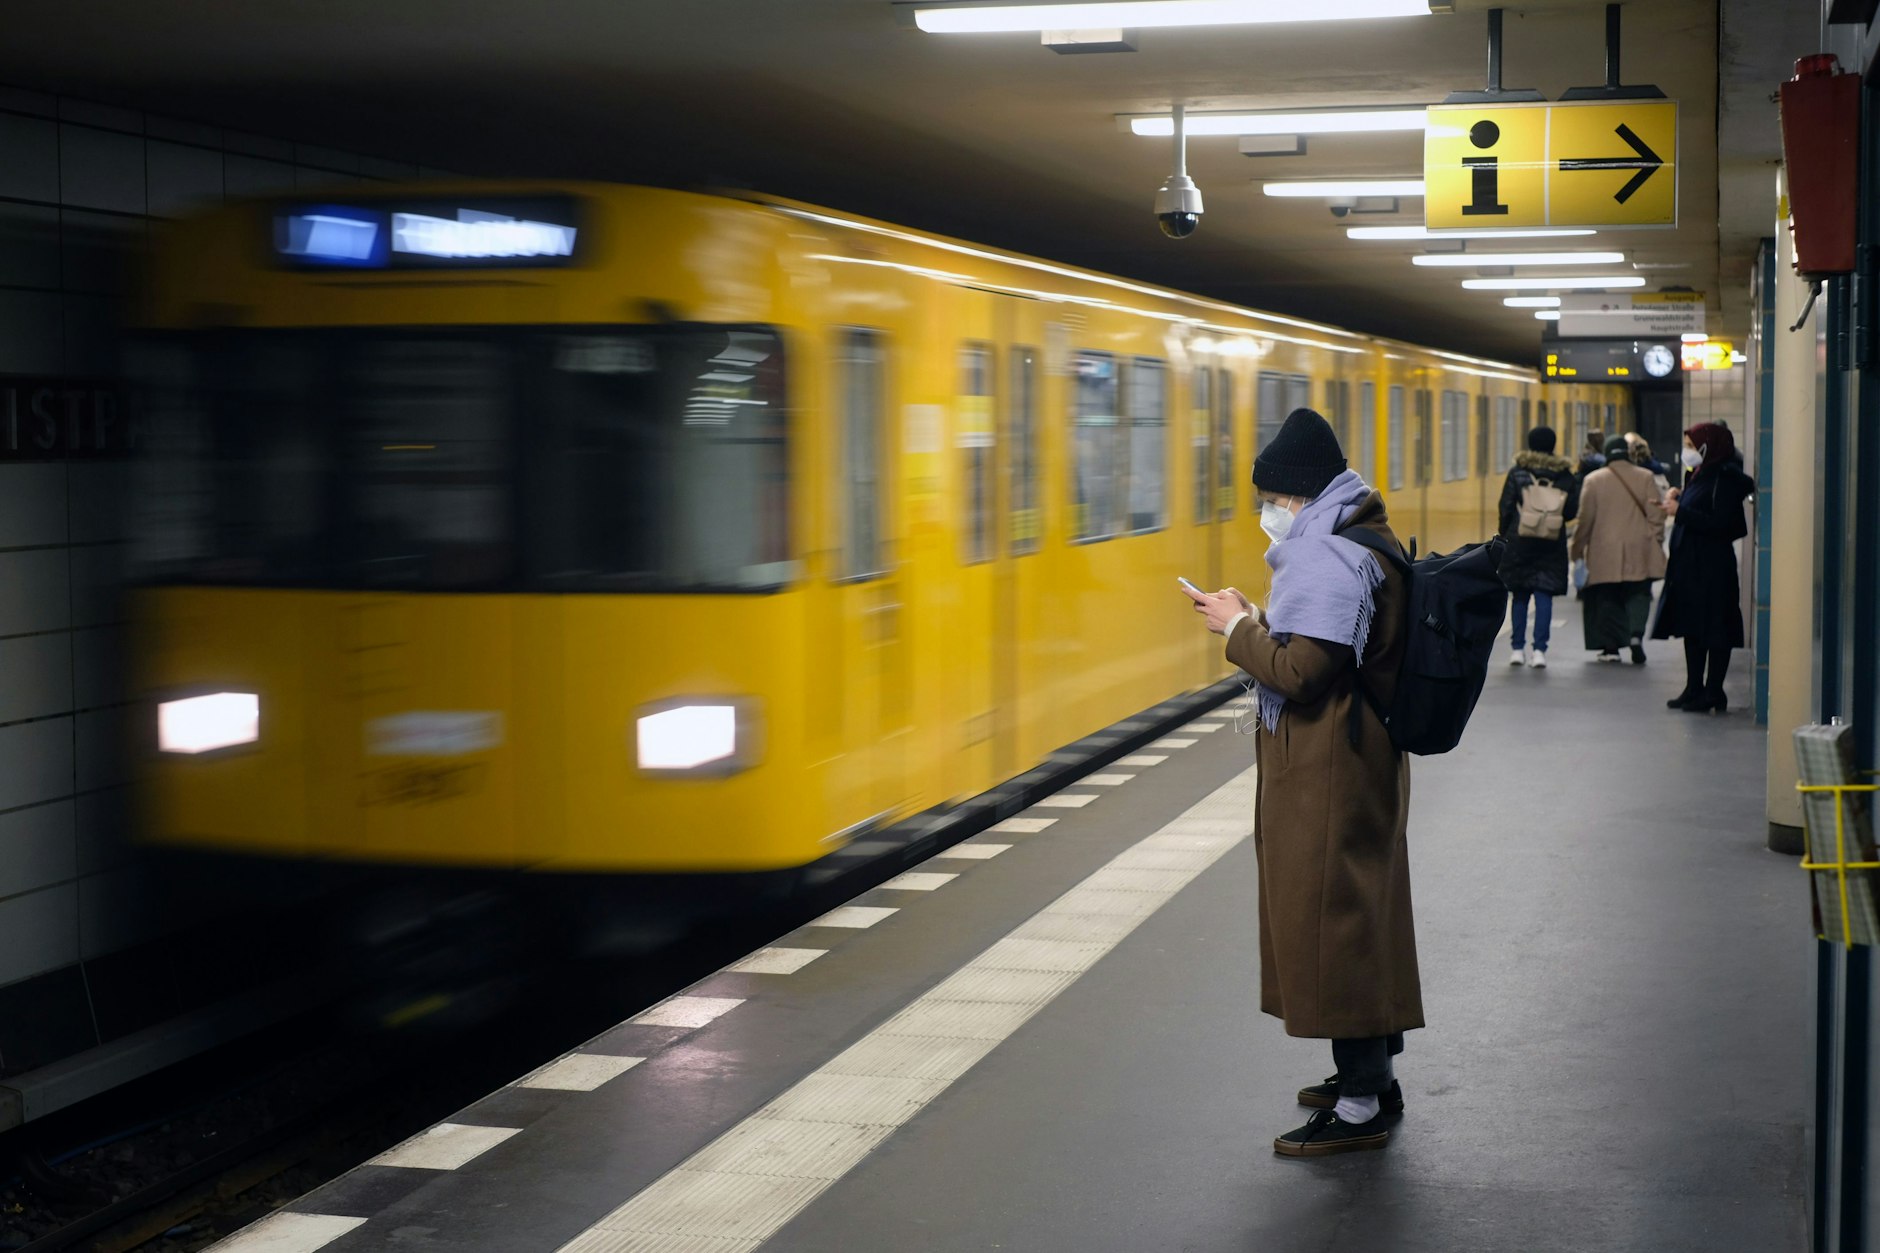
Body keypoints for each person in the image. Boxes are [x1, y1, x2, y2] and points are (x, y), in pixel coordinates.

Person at [1183, 408, 1422, 1158]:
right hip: (1355, 756)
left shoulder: (1326, 554)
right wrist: (1259, 618)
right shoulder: (1359, 532)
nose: (1269, 513)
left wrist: (1235, 628)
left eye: (1272, 500)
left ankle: (1360, 1106)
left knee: (1335, 922)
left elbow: (1302, 672)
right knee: (1354, 912)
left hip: (1332, 766)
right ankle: (1370, 1076)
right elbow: (1325, 643)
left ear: (1299, 494)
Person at [1652, 422, 1756, 713]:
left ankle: (1714, 691)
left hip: (1713, 566)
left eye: (1691, 445)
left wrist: (1681, 511)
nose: (1687, 451)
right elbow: (1698, 510)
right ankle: (1693, 687)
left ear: (1708, 447)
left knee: (1716, 627)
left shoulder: (1724, 479)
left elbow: (1721, 524)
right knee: (1693, 625)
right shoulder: (1698, 474)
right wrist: (1678, 498)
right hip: (1691, 564)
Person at [1569, 433, 1667, 663]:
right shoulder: (1645, 476)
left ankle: (1611, 648)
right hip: (1639, 545)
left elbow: (1585, 520)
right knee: (1638, 592)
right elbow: (1656, 514)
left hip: (1604, 549)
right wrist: (1655, 540)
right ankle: (1635, 636)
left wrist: (1577, 548)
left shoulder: (1593, 480)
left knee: (1607, 595)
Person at [1496, 425, 1579, 668]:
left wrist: (1505, 534)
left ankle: (1517, 649)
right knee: (1544, 596)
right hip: (1551, 542)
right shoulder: (1564, 475)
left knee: (1520, 595)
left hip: (1520, 540)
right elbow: (1571, 511)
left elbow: (1506, 507)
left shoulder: (1518, 472)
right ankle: (1539, 651)